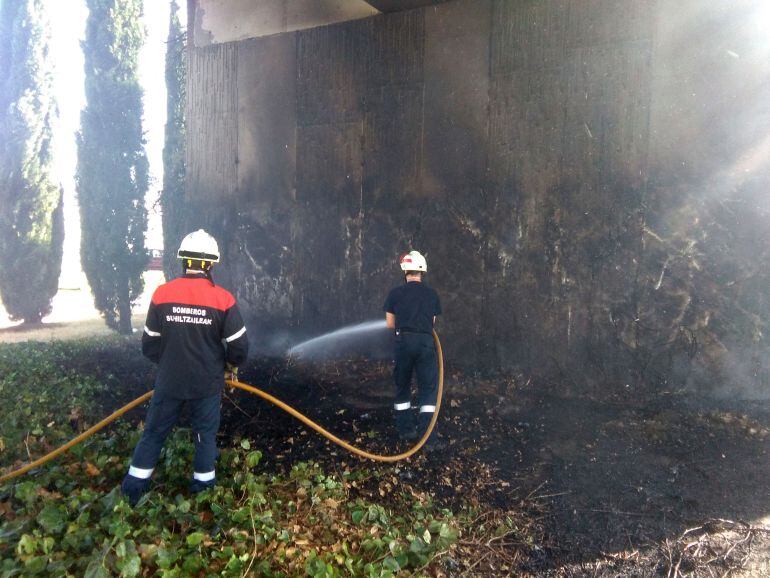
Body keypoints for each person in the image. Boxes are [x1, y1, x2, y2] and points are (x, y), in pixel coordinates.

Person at [121, 229, 249, 505]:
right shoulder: (223, 299)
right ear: (211, 264)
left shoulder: (162, 294)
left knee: (153, 433)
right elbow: (239, 347)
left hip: (169, 383)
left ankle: (131, 495)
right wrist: (228, 365)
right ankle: (203, 498)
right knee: (205, 438)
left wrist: (169, 362)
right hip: (207, 383)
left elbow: (149, 344)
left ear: (184, 261)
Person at [383, 250, 443, 450]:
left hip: (403, 342)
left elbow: (390, 324)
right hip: (425, 343)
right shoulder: (432, 294)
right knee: (428, 389)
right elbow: (431, 323)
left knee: (403, 386)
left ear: (405, 271)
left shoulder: (395, 294)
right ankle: (429, 439)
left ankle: (406, 430)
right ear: (422, 272)